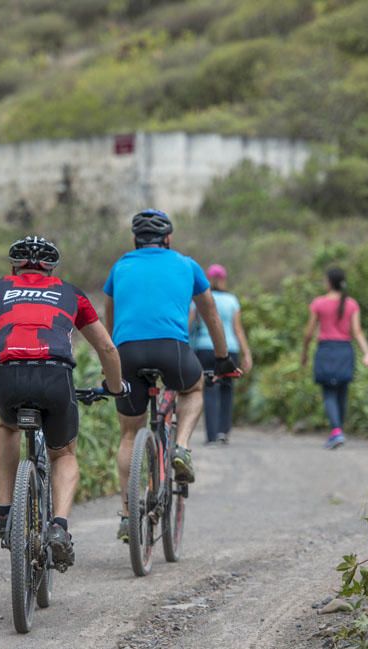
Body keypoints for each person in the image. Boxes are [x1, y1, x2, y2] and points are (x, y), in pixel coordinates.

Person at [0, 235, 126, 569]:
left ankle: (5, 511)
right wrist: (115, 387)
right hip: (54, 376)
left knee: (7, 426)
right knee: (63, 453)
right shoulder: (71, 293)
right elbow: (106, 348)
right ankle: (59, 527)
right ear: (51, 270)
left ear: (13, 266)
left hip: (7, 375)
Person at [103, 209, 240, 542]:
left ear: (134, 240)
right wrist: (222, 358)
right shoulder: (187, 264)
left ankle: (126, 514)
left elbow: (107, 319)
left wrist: (113, 363)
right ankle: (180, 447)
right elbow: (209, 313)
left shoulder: (119, 267)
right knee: (194, 388)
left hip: (126, 353)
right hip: (171, 350)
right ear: (168, 239)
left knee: (128, 434)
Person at [301, 268, 368, 449]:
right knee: (342, 391)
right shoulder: (351, 304)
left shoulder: (319, 303)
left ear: (328, 282)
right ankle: (338, 430)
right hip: (345, 350)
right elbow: (357, 331)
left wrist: (304, 353)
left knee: (329, 392)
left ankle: (336, 431)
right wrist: (367, 352)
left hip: (326, 350)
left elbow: (309, 332)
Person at [189, 264, 253, 445]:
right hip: (229, 349)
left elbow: (189, 324)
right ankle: (223, 432)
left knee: (209, 389)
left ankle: (211, 434)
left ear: (208, 279)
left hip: (204, 348)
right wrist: (247, 353)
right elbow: (237, 329)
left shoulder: (199, 299)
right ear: (224, 279)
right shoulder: (232, 300)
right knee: (227, 388)